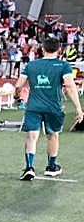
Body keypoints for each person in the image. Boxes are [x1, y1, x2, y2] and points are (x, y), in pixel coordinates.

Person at [14, 37, 83, 180]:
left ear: (42, 49)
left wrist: (17, 96)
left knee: (31, 137)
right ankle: (51, 167)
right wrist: (78, 108)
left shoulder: (31, 65)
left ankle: (29, 167)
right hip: (54, 107)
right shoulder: (63, 65)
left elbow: (18, 85)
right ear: (59, 50)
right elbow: (70, 86)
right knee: (53, 135)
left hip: (33, 106)